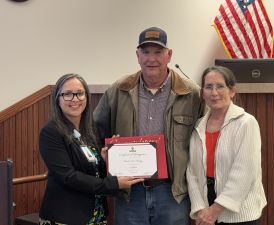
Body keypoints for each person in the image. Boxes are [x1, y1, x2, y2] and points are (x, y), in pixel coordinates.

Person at [93, 27, 204, 225]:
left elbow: (204, 139)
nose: (151, 58)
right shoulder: (119, 89)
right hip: (130, 193)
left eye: (158, 52)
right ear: (137, 56)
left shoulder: (191, 93)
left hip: (173, 192)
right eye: (145, 52)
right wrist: (107, 154)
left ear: (169, 55)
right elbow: (96, 128)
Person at [39, 73, 143, 225]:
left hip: (96, 216)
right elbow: (68, 177)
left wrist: (107, 159)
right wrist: (113, 184)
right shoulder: (51, 132)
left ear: (86, 97)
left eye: (80, 93)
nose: (75, 99)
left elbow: (92, 171)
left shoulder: (90, 130)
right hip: (65, 217)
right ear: (57, 99)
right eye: (67, 94)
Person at [187, 66, 267, 225]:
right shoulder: (198, 126)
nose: (214, 92)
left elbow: (244, 172)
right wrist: (200, 209)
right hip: (205, 210)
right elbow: (191, 171)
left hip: (239, 213)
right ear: (203, 93)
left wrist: (214, 211)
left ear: (232, 91)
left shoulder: (246, 123)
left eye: (220, 86)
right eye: (208, 87)